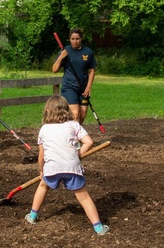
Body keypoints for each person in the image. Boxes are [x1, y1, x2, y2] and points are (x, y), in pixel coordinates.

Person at [25, 95, 109, 235]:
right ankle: (99, 227)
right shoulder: (74, 125)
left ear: (47, 111)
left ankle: (32, 216)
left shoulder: (44, 129)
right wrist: (77, 155)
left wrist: (41, 170)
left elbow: (41, 156)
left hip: (52, 168)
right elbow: (89, 142)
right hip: (72, 167)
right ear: (66, 110)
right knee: (83, 197)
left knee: (43, 186)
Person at [52, 28, 96, 124]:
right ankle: (73, 139)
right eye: (72, 39)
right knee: (75, 114)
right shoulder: (64, 51)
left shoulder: (88, 52)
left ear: (81, 39)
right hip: (69, 87)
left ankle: (75, 136)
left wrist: (88, 88)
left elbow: (92, 71)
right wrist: (60, 57)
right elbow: (54, 69)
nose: (75, 41)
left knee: (82, 115)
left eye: (77, 39)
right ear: (69, 39)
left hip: (83, 89)